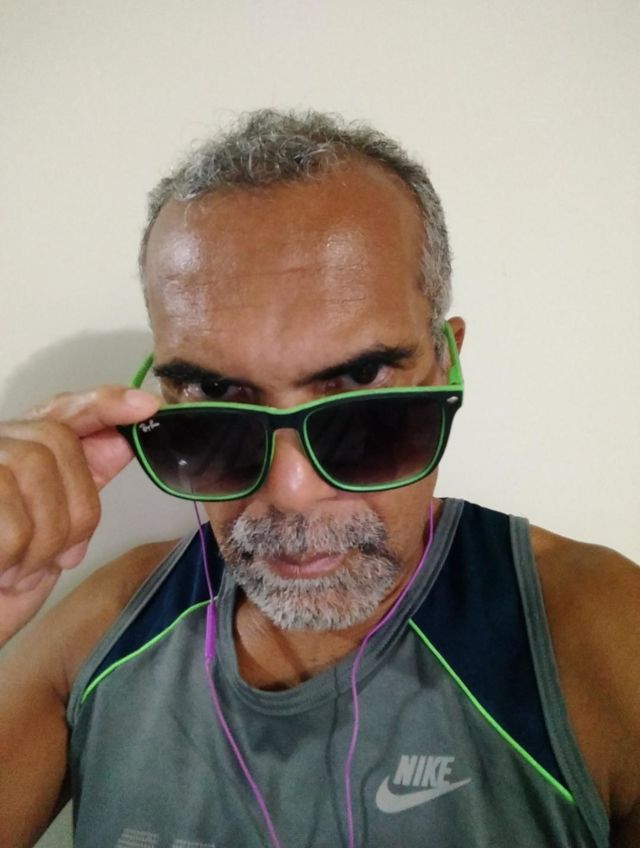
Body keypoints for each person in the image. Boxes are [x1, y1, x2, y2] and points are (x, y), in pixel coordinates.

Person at [0, 110, 638, 848]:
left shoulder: (599, 637)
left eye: (360, 388)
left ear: (445, 364)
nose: (290, 492)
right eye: (218, 398)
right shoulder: (105, 632)